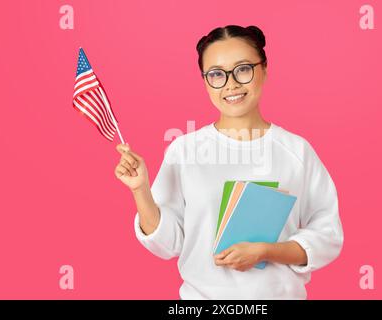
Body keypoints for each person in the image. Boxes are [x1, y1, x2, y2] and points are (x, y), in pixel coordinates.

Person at [114, 25, 344, 299]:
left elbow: (327, 235)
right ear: (205, 81)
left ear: (265, 69)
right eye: (216, 75)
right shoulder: (185, 150)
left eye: (243, 69)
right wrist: (140, 190)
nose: (231, 84)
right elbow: (168, 244)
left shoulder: (296, 151)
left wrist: (266, 251)